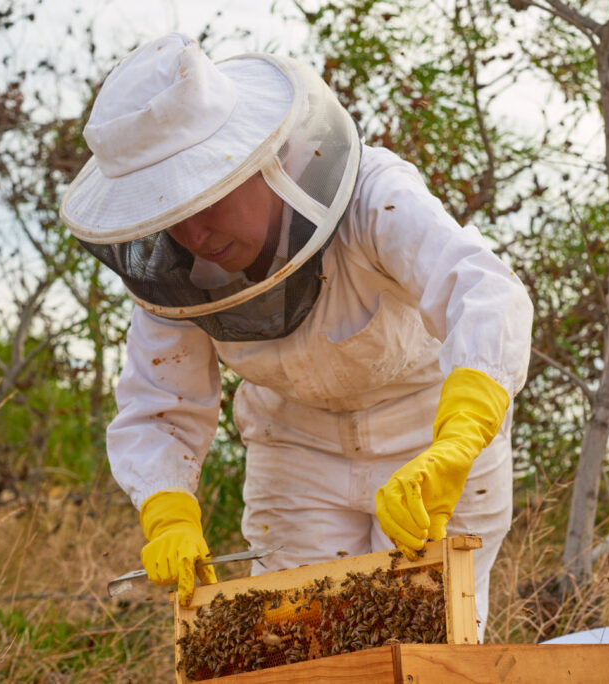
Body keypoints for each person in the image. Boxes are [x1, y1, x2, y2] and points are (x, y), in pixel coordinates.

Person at [60, 33, 532, 640]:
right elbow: (160, 403)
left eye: (206, 196)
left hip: (427, 439)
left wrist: (458, 440)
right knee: (303, 650)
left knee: (434, 648)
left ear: (260, 160)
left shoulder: (374, 196)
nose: (195, 234)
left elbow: (482, 289)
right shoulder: (171, 278)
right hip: (294, 448)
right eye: (168, 216)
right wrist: (167, 509)